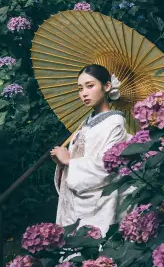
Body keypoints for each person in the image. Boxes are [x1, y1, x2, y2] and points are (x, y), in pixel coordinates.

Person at [51, 64, 128, 237]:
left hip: (99, 200)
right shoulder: (85, 124)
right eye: (80, 88)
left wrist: (69, 161)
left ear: (107, 86)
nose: (84, 93)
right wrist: (62, 163)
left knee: (91, 245)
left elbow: (107, 166)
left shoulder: (115, 124)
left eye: (90, 86)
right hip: (76, 198)